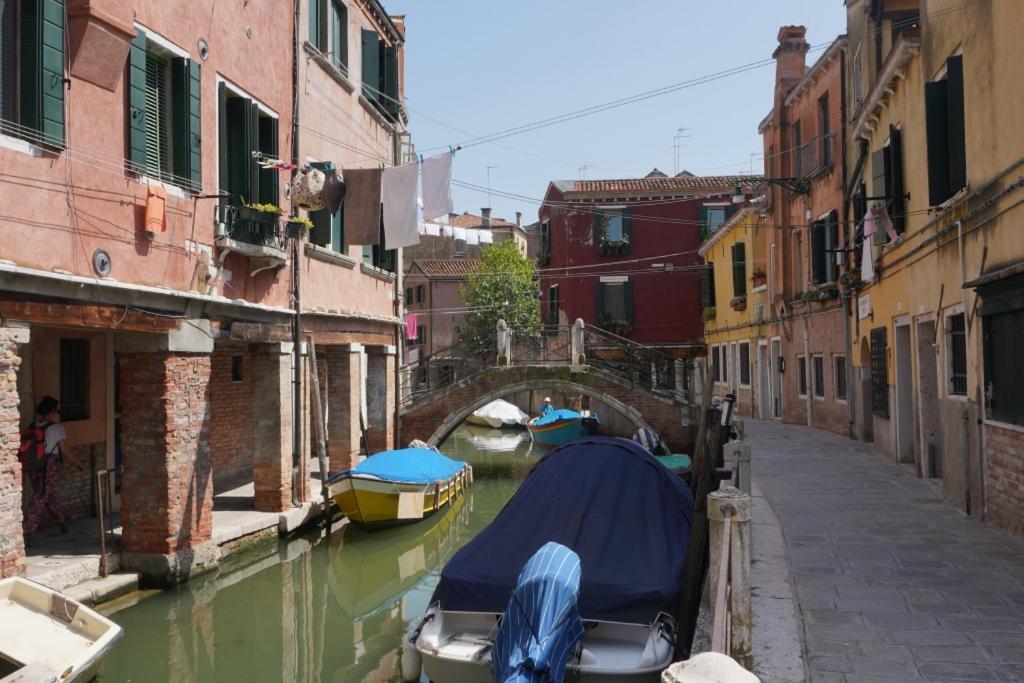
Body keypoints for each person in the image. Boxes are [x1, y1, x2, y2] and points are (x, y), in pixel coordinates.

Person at [23, 396, 79, 539]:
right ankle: (28, 530)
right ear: (53, 411)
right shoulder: (57, 429)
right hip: (48, 465)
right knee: (41, 496)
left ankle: (61, 520)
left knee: (47, 493)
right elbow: (65, 451)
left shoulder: (32, 427)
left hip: (33, 465)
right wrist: (77, 463)